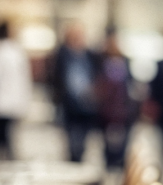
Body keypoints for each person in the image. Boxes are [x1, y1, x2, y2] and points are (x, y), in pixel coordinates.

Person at [0, 21, 32, 160]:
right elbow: (24, 79)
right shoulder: (15, 51)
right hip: (8, 101)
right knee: (6, 137)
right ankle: (5, 161)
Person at [50, 23, 100, 162]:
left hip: (87, 105)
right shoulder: (62, 55)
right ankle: (73, 159)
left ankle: (79, 158)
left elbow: (97, 76)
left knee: (83, 140)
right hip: (69, 104)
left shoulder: (90, 55)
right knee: (71, 139)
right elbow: (55, 78)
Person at [95, 29, 137, 170]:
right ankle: (109, 165)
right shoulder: (100, 60)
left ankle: (119, 165)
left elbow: (130, 84)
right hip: (106, 110)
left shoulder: (125, 61)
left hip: (123, 109)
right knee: (107, 144)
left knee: (122, 145)